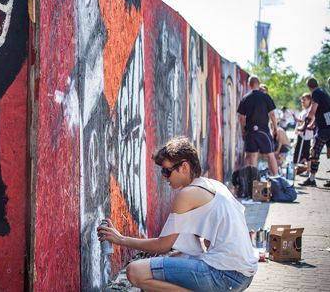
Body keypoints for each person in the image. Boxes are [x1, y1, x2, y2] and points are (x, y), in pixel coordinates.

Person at [97, 137, 257, 291]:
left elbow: (162, 246)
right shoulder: (213, 185)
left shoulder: (187, 194)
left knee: (135, 271)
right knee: (175, 258)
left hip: (225, 275)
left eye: (167, 171)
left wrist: (120, 239)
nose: (164, 177)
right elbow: (207, 241)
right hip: (244, 275)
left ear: (185, 167)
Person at [237, 76, 280, 176]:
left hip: (251, 132)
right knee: (270, 155)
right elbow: (272, 114)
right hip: (263, 132)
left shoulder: (245, 98)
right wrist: (275, 129)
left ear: (249, 84)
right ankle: (277, 179)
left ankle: (252, 184)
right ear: (258, 83)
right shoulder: (265, 97)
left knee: (252, 156)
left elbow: (242, 118)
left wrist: (243, 132)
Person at [300, 78, 330, 187]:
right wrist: (312, 125)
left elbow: (313, 111)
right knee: (329, 153)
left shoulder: (316, 93)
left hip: (323, 130)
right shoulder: (324, 92)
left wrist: (304, 124)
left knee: (314, 152)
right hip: (328, 126)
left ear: (309, 86)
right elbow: (322, 111)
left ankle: (311, 179)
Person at [293, 93, 313, 177]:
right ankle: (294, 171)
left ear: (309, 100)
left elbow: (309, 121)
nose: (302, 101)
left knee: (306, 153)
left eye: (304, 100)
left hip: (306, 135)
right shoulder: (303, 111)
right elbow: (302, 121)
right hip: (301, 134)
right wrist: (298, 122)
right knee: (296, 152)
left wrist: (302, 125)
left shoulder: (310, 111)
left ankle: (308, 171)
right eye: (302, 100)